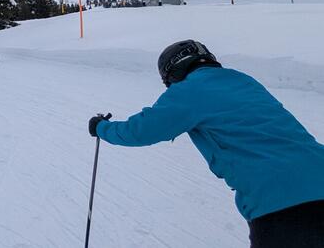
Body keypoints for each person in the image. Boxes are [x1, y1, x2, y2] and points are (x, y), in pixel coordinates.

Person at [89, 40, 324, 247]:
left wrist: (102, 128)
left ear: (173, 72)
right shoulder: (244, 80)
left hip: (282, 202)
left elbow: (139, 131)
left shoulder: (189, 90)